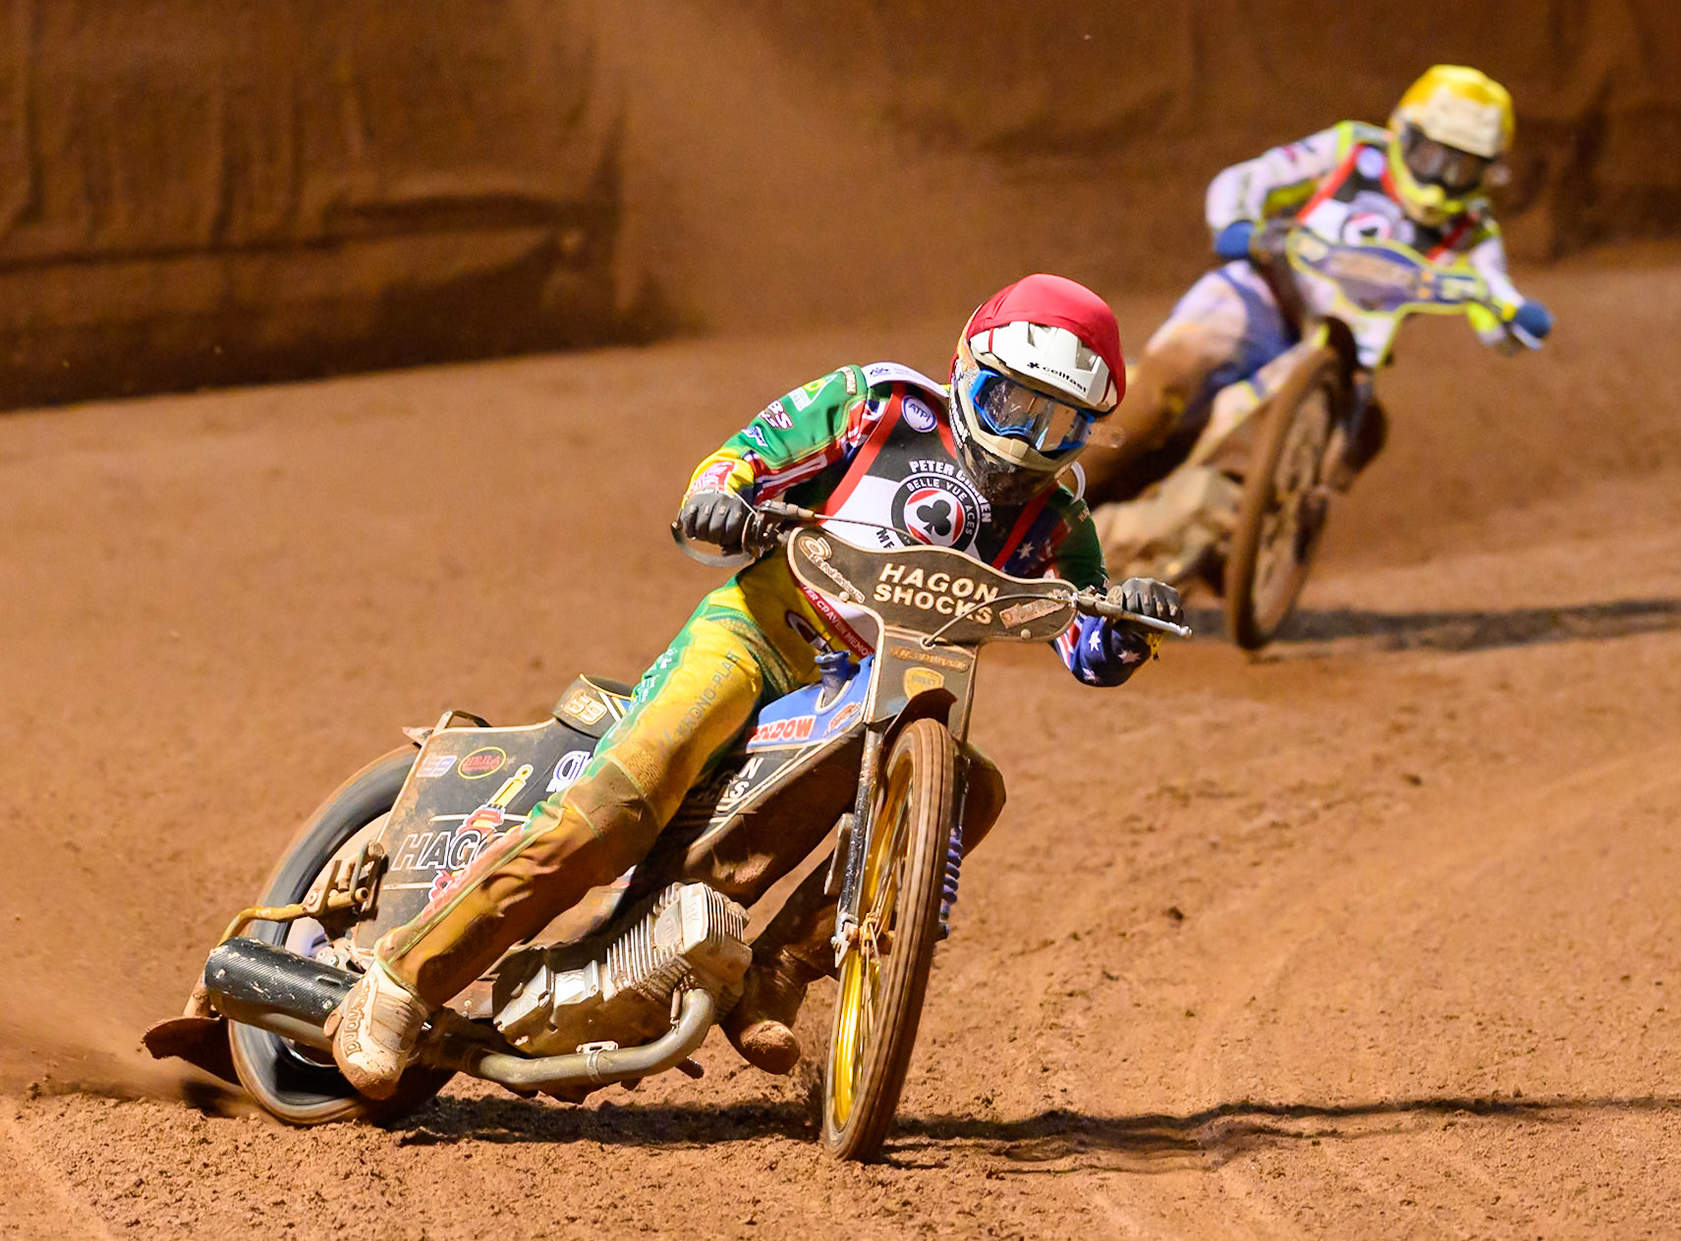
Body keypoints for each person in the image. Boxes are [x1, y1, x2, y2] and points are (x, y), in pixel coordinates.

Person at [326, 274, 1184, 1097]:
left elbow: (1084, 638)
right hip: (758, 638)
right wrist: (719, 499)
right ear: (967, 368)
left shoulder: (1057, 519)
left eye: (1060, 425)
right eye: (1014, 406)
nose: (1026, 442)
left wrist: (1129, 621)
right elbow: (747, 458)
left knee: (970, 785)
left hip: (881, 690)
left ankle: (776, 973)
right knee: (620, 809)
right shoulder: (879, 404)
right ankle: (399, 982)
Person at [1079, 64, 1556, 505]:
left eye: (1462, 167)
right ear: (1404, 134)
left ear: (1486, 171)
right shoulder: (1353, 151)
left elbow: (1494, 295)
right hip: (1261, 295)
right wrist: (1235, 223)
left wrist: (1515, 316)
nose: (1441, 179)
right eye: (1432, 156)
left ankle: (1239, 536)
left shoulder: (1473, 231)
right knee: (1169, 383)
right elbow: (1253, 177)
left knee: (1350, 438)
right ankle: (1055, 487)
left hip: (1342, 351)